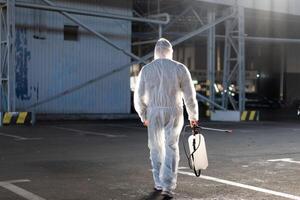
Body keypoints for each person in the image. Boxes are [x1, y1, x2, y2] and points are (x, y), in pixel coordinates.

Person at [134, 38, 198, 198]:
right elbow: (189, 95)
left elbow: (139, 95)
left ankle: (158, 182)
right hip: (174, 111)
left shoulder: (147, 69)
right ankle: (168, 187)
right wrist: (193, 116)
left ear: (156, 51)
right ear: (170, 51)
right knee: (171, 147)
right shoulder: (180, 68)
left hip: (154, 111)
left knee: (155, 148)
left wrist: (143, 114)